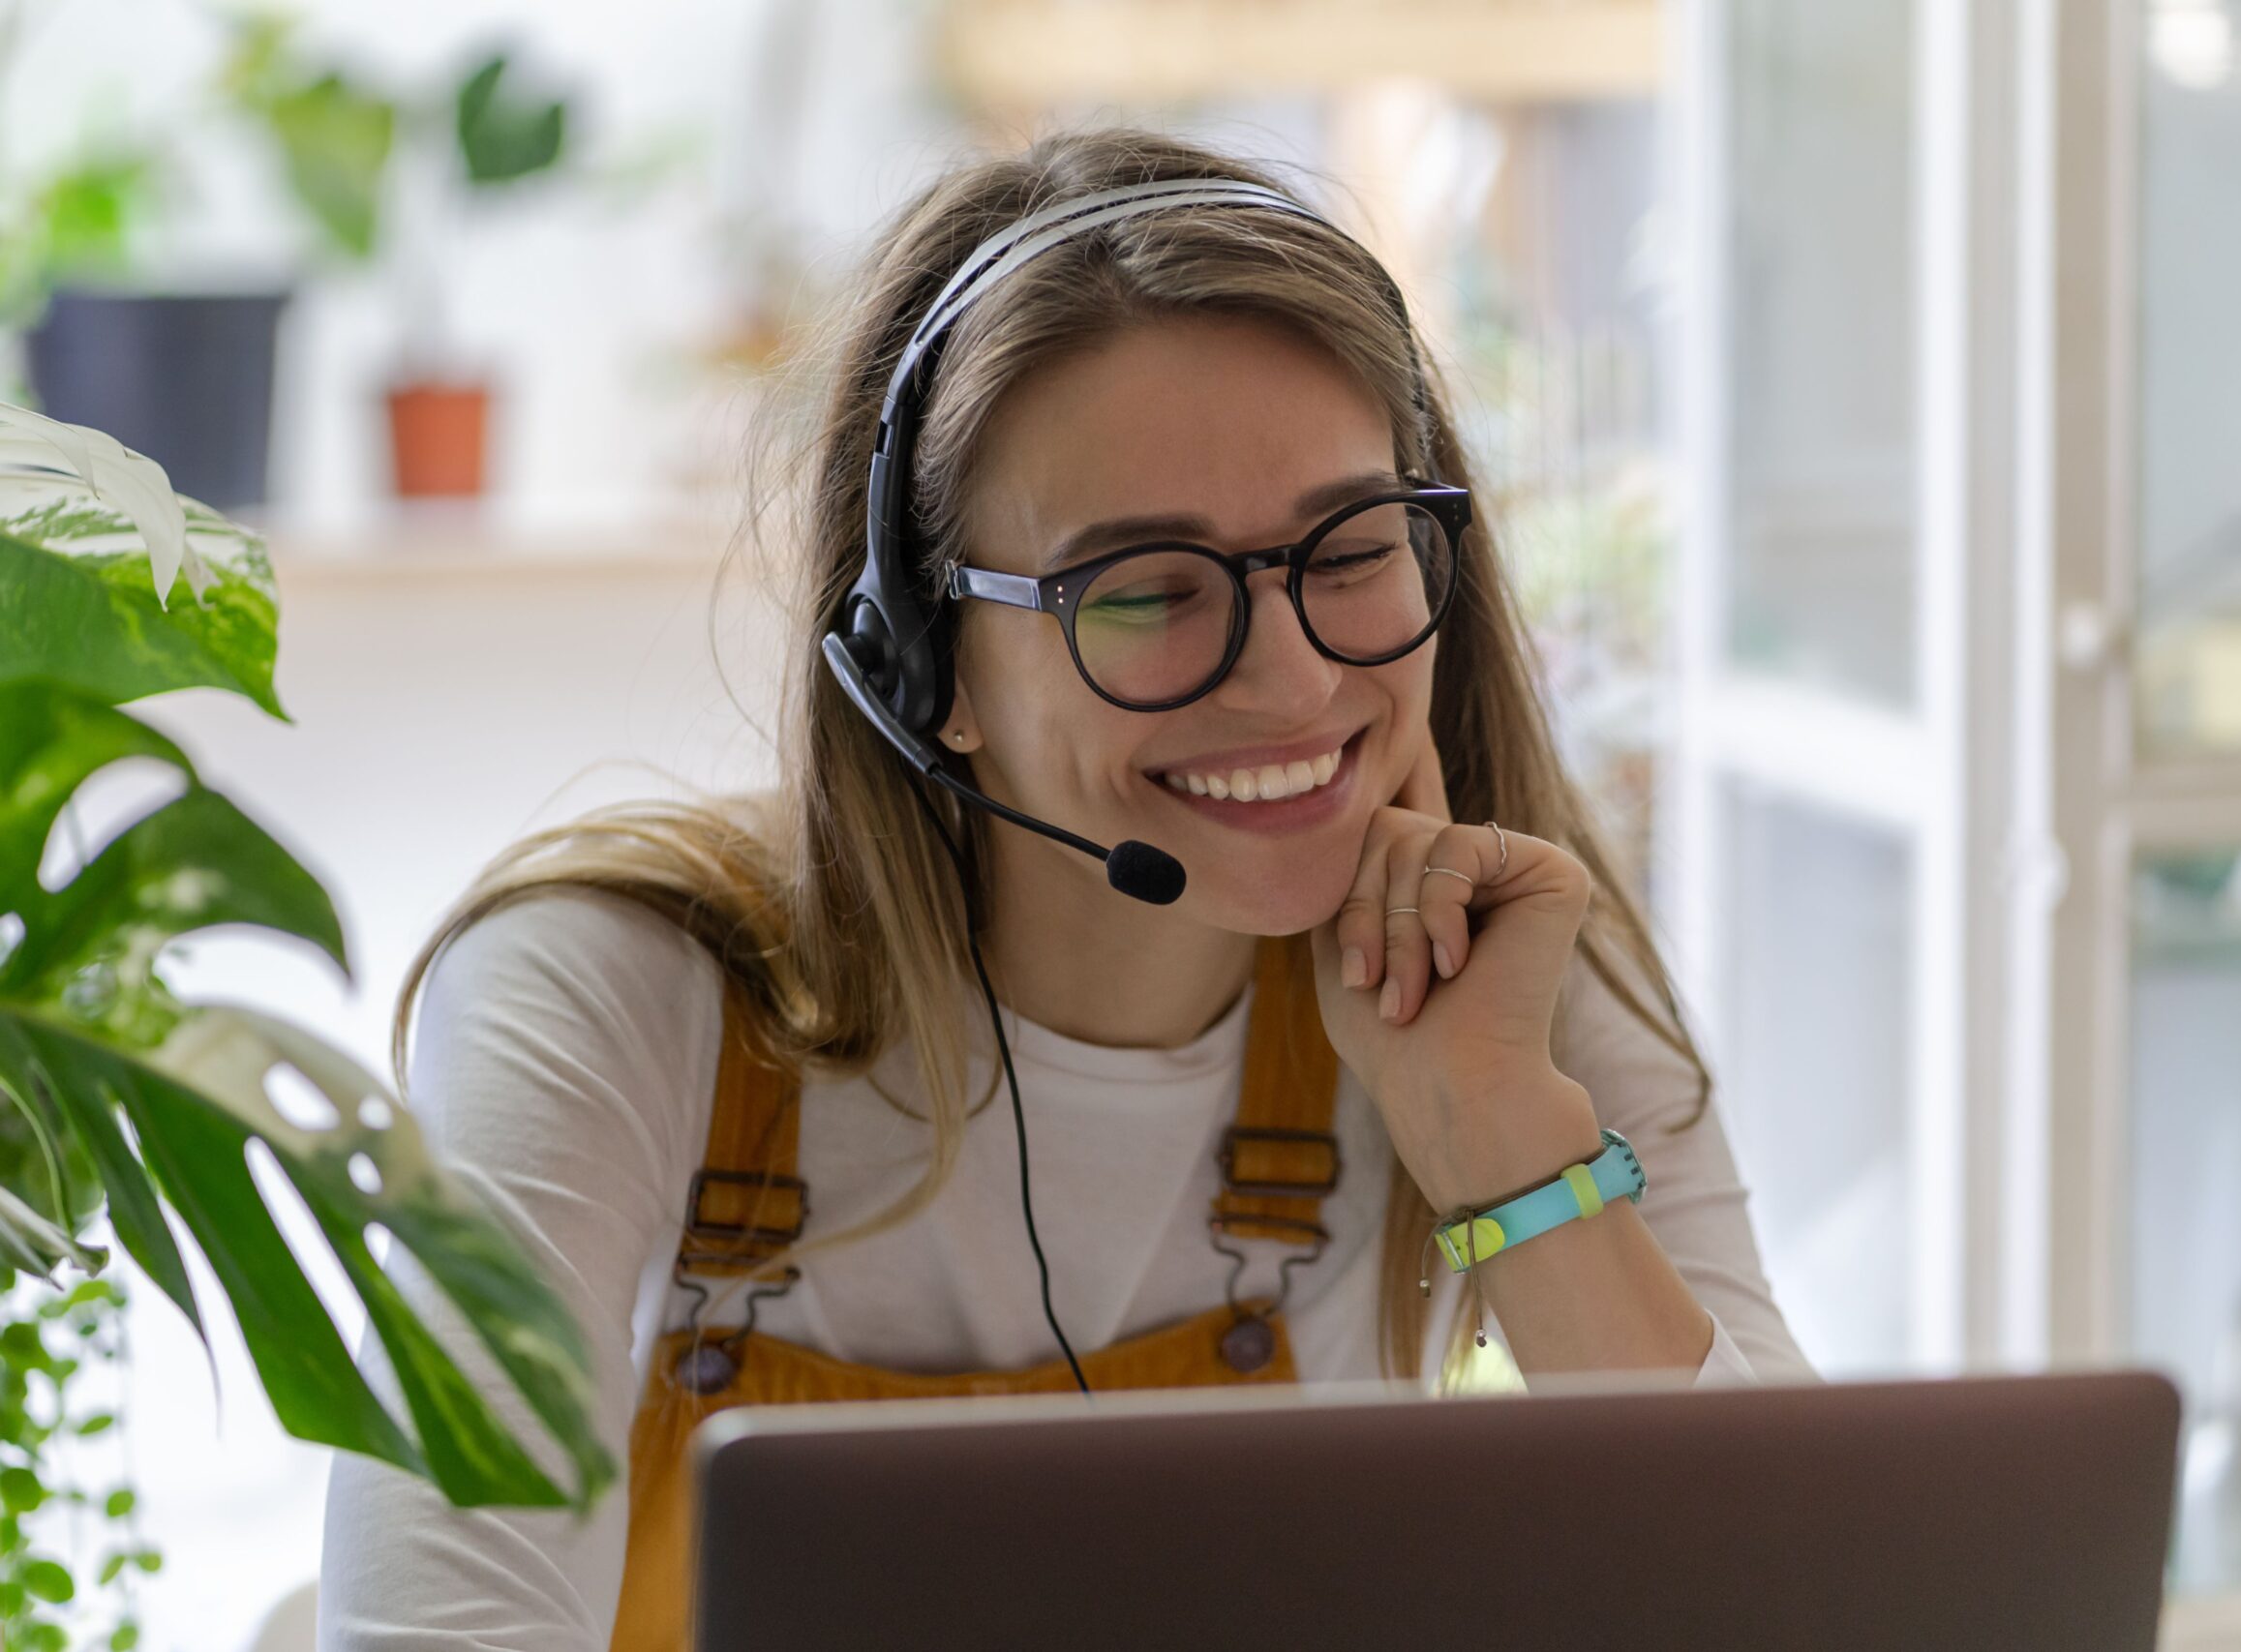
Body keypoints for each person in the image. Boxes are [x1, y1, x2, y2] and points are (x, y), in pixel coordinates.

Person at [318, 127, 1810, 1651]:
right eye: (1151, 588)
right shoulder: (606, 989)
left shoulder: (1496, 967)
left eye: (1352, 546)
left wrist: (1501, 1137)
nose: (1295, 682)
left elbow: (1812, 1606)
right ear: (921, 664)